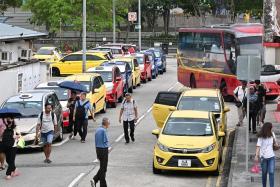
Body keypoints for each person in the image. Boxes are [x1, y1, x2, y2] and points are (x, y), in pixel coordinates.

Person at [255, 122, 278, 187]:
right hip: (263, 158)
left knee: (271, 172)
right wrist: (256, 155)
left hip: (271, 157)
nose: (272, 129)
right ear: (268, 128)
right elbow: (258, 146)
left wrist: (276, 145)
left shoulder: (272, 134)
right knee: (264, 173)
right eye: (271, 128)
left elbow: (275, 143)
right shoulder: (261, 136)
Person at [91, 117, 110, 187]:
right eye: (109, 123)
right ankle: (96, 180)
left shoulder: (98, 130)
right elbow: (105, 142)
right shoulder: (104, 131)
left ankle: (96, 180)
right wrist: (108, 149)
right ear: (106, 123)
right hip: (103, 150)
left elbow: (96, 142)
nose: (109, 124)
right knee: (104, 168)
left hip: (98, 149)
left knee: (102, 167)